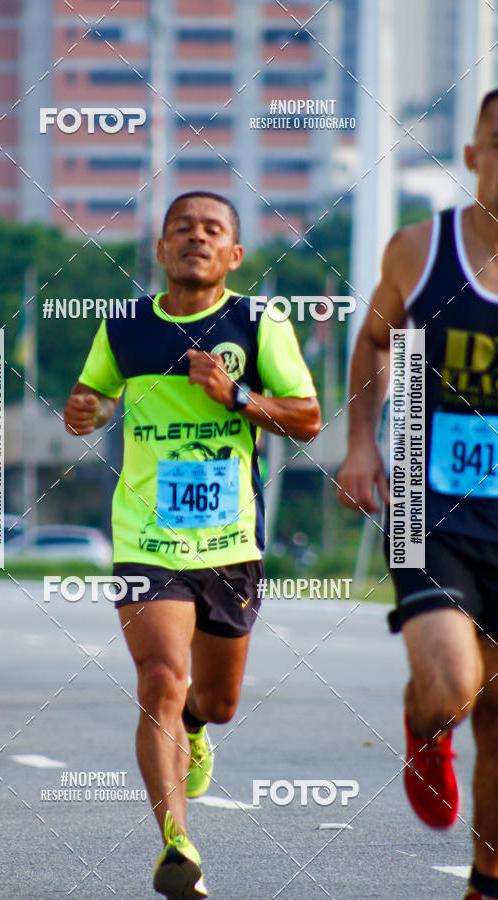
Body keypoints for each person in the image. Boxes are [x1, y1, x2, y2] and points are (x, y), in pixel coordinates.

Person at [63, 191, 320, 899]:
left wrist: (236, 397)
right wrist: (85, 411)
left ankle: (199, 729)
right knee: (159, 682)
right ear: (161, 249)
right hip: (147, 539)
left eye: (213, 231)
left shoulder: (259, 324)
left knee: (215, 699)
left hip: (231, 540)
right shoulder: (124, 328)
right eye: (183, 229)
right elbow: (88, 401)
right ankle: (177, 845)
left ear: (234, 255)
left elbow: (308, 419)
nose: (197, 239)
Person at [337, 90, 498, 900]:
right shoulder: (419, 251)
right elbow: (373, 343)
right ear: (472, 156)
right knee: (451, 688)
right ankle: (422, 719)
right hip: (425, 511)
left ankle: (485, 880)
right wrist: (363, 444)